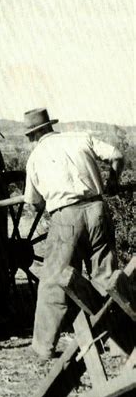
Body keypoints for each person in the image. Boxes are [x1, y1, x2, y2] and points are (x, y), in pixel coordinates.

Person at [22, 108, 124, 359]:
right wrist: (113, 180)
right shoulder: (79, 138)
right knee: (106, 277)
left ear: (34, 135)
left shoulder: (35, 158)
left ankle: (43, 347)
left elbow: (33, 203)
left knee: (54, 281)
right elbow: (117, 155)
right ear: (50, 126)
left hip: (65, 216)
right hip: (97, 210)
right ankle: (118, 342)